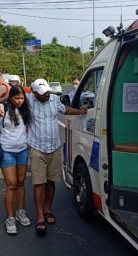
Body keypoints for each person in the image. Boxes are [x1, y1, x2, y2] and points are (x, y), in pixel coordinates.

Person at [26, 78, 87, 234]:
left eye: (47, 91)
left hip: (54, 147)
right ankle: (40, 217)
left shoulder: (54, 99)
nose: (46, 95)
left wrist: (80, 111)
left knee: (51, 181)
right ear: (34, 93)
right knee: (39, 184)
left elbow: (65, 109)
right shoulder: (29, 100)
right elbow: (12, 97)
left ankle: (48, 210)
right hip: (37, 148)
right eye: (42, 93)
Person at [0, 85, 32, 235]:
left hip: (23, 151)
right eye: (16, 98)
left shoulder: (26, 109)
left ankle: (21, 211)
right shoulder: (3, 109)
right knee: (11, 184)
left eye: (21, 98)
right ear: (10, 98)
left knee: (21, 183)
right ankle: (10, 218)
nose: (19, 101)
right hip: (7, 151)